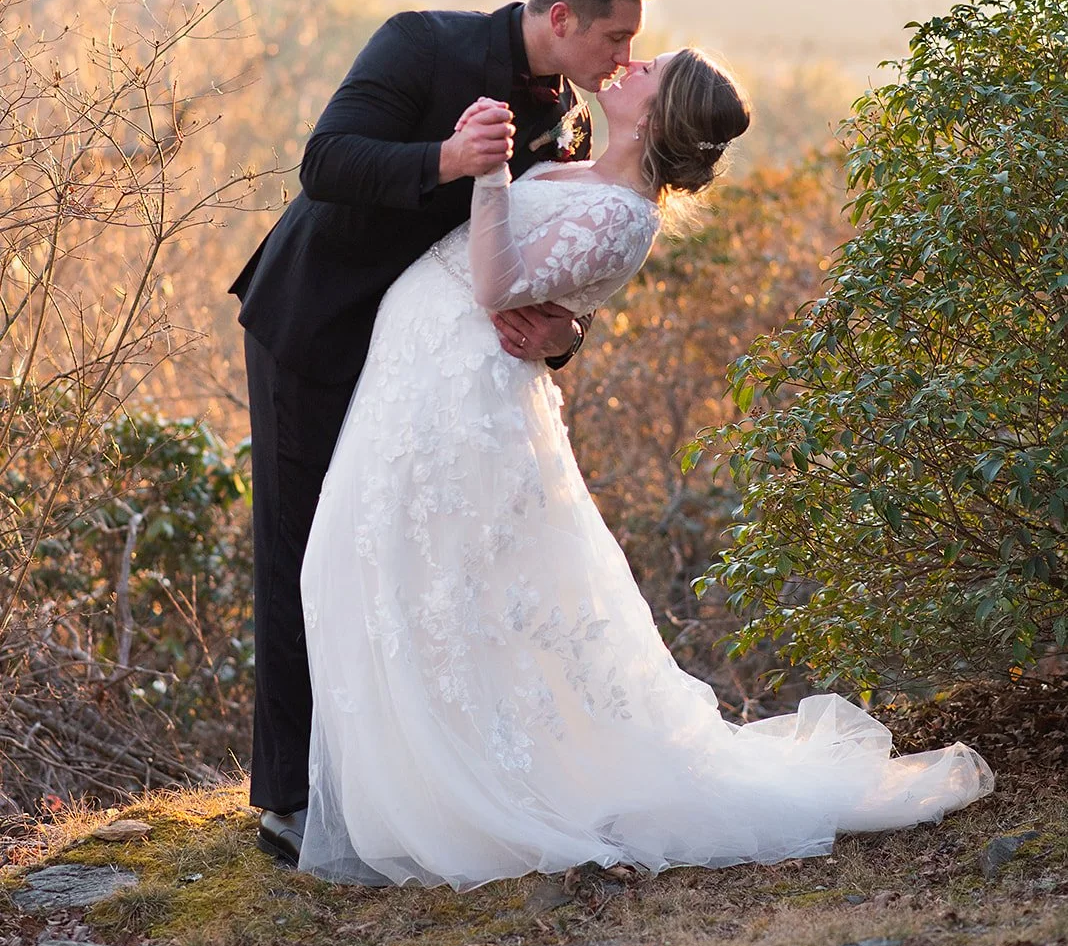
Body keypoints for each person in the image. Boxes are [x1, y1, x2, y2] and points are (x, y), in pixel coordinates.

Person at [298, 49, 992, 889]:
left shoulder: (627, 216)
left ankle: (475, 792)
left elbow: (496, 282)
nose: (631, 63)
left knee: (445, 587)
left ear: (656, 118)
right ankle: (427, 779)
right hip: (422, 375)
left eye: (651, 70)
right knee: (395, 572)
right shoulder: (572, 160)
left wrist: (487, 174)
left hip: (460, 399)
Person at [229, 0, 656, 864]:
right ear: (560, 19)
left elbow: (545, 271)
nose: (621, 60)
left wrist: (566, 339)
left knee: (401, 556)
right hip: (318, 327)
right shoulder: (421, 41)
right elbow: (327, 161)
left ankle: (400, 776)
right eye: (614, 39)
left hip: (428, 373)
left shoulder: (574, 128)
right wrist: (448, 157)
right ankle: (291, 798)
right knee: (303, 548)